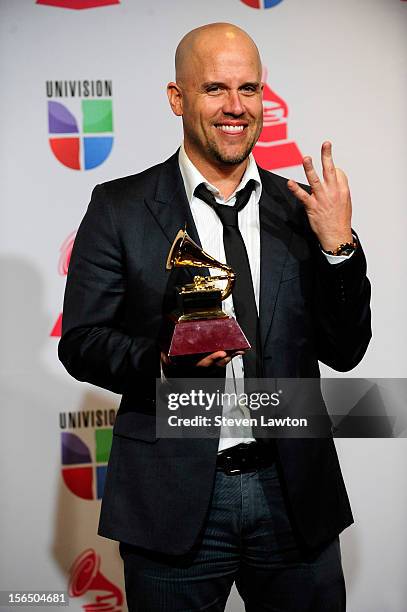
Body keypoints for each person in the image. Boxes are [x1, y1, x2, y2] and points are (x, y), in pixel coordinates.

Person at [59, 23, 371, 612]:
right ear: (177, 98)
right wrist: (161, 361)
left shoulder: (301, 209)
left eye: (249, 89)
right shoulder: (120, 207)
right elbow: (80, 342)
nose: (236, 107)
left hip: (294, 494)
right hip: (170, 499)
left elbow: (347, 349)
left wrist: (338, 249)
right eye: (215, 89)